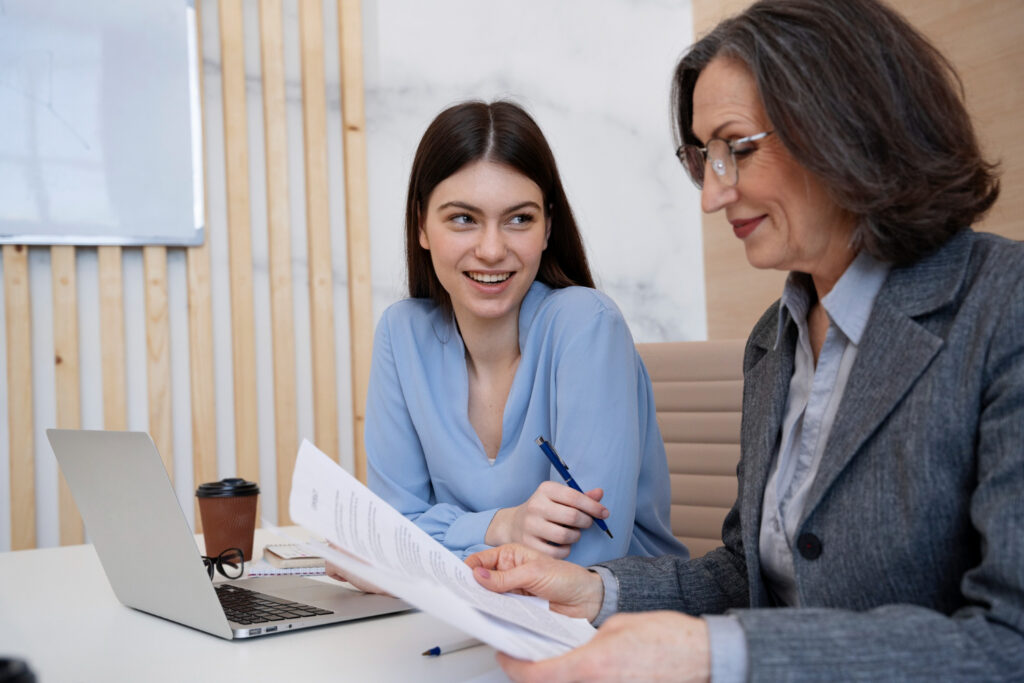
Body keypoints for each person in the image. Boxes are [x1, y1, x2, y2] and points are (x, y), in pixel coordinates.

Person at [466, 1, 1024, 680]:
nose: (711, 193)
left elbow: (1007, 640)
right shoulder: (774, 341)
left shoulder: (1001, 308)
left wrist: (710, 653)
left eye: (736, 148)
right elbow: (748, 575)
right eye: (703, 158)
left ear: (843, 122)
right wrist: (594, 590)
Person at [360, 100, 688, 567]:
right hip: (473, 615)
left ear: (548, 225)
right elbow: (390, 529)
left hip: (612, 620)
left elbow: (589, 552)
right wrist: (501, 525)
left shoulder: (586, 325)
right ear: (421, 226)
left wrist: (434, 543)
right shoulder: (402, 334)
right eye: (462, 218)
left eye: (519, 219)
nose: (492, 249)